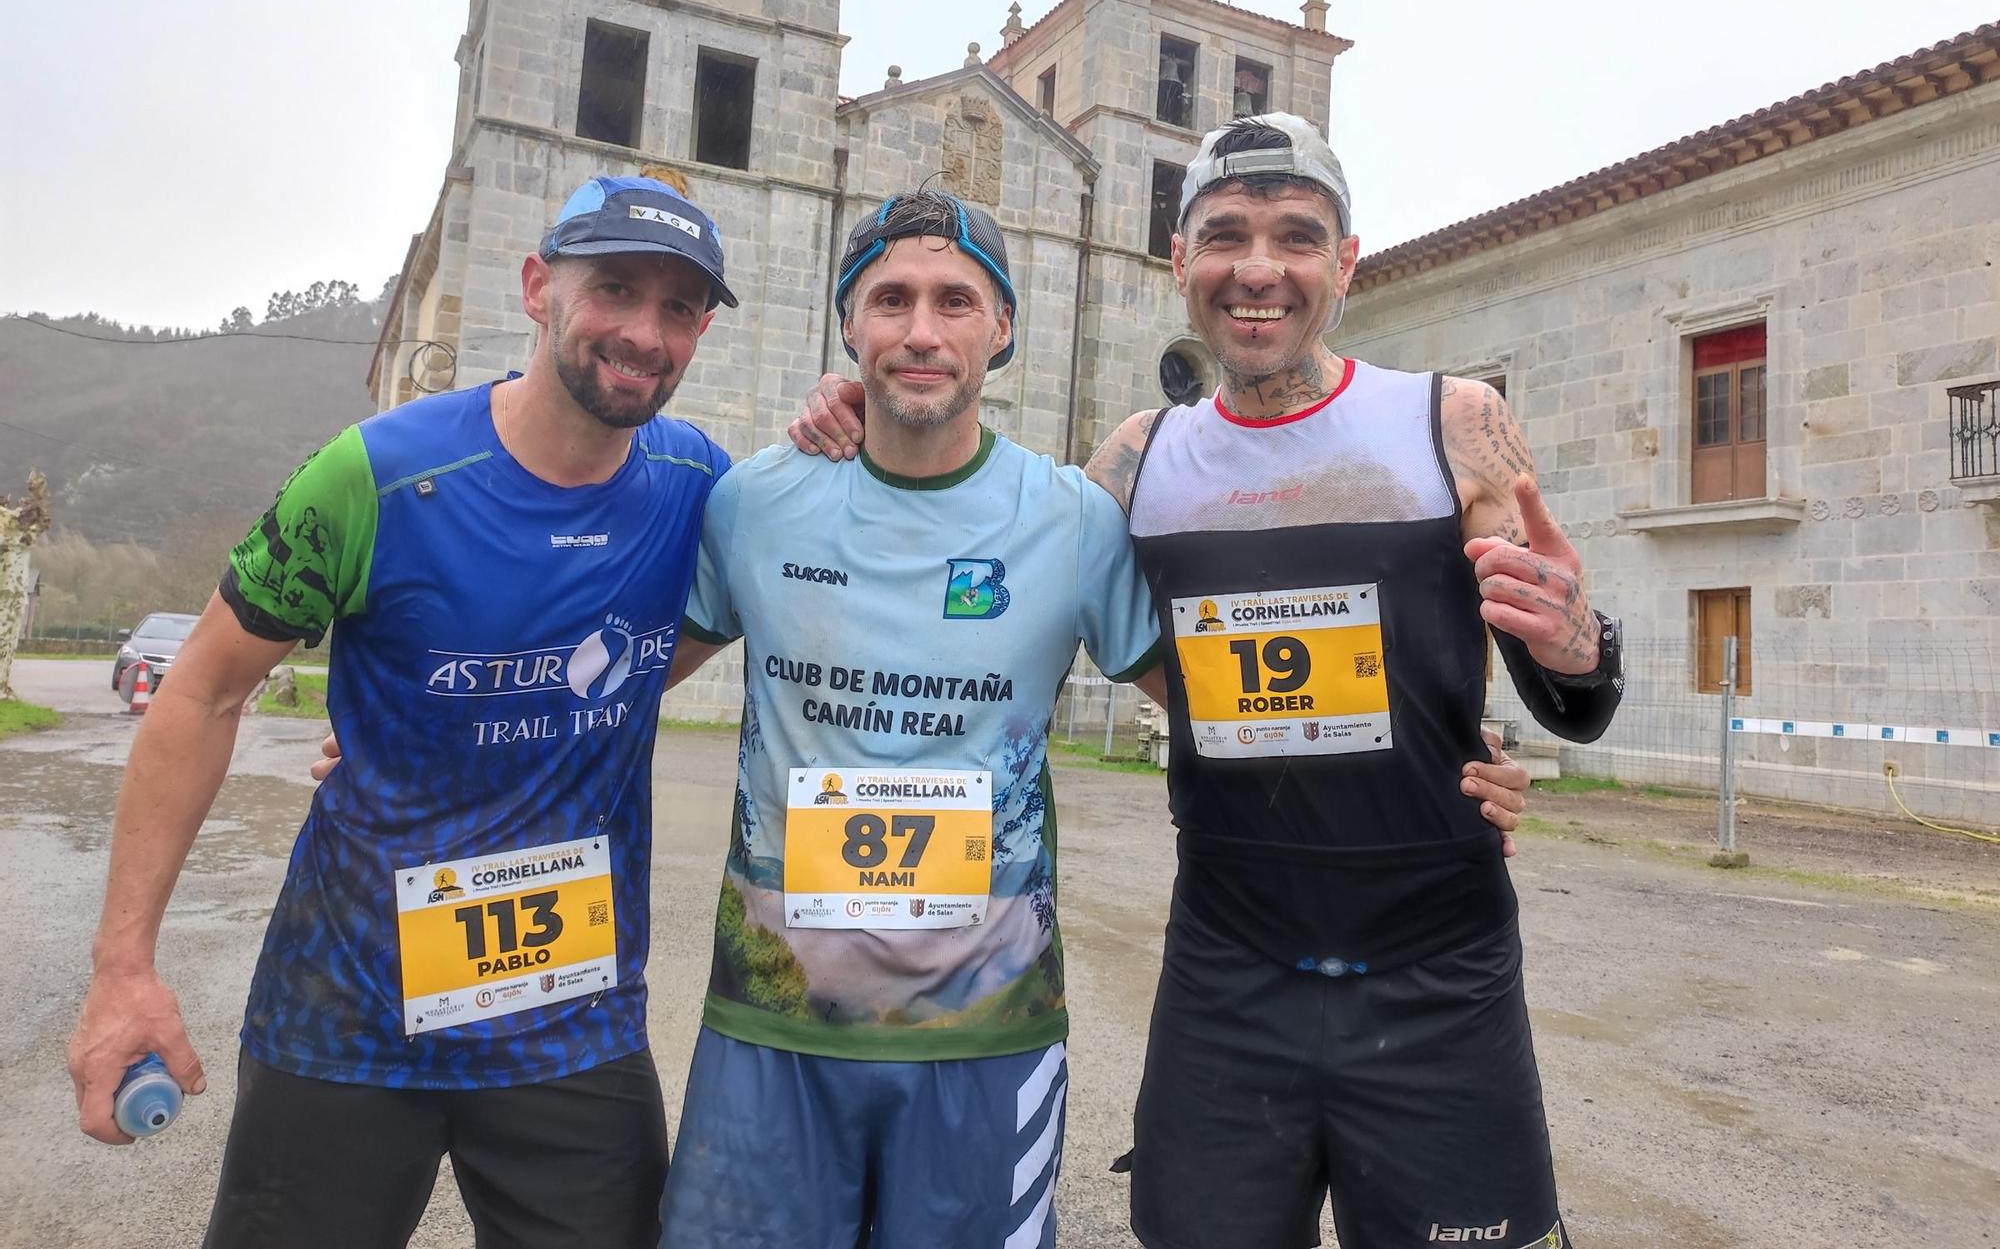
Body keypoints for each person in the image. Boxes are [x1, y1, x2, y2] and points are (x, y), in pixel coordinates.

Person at [791, 114, 1618, 1249]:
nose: (1258, 268)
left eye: (1296, 236)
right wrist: (857, 419)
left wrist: (1575, 650)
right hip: (1230, 973)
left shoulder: (1452, 421)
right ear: (1180, 264)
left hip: (1440, 971)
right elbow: (987, 550)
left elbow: (1562, 682)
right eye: (1224, 236)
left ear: (1346, 263)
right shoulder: (1135, 461)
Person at [66, 175, 736, 1248]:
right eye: (613, 288)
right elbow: (201, 691)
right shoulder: (376, 474)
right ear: (536, 289)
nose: (644, 333)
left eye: (678, 309)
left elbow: (729, 600)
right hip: (347, 1017)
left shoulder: (698, 480)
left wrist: (577, 701)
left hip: (568, 1028)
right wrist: (123, 967)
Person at [650, 190, 1167, 1248]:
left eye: (954, 301)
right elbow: (631, 677)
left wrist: (1438, 758)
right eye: (889, 300)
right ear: (847, 324)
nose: (920, 331)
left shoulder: (1070, 519)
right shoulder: (753, 501)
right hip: (772, 1028)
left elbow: (1216, 708)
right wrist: (414, 731)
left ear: (1003, 326)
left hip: (985, 1038)